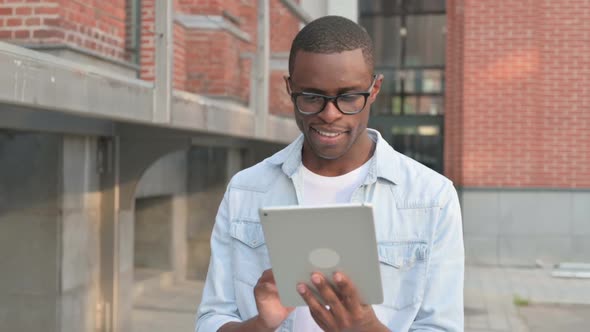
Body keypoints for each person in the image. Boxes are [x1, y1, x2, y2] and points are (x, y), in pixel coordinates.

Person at [196, 15, 464, 332]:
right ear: (290, 88)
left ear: (374, 89)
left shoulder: (431, 197)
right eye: (312, 97)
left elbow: (441, 326)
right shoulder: (245, 190)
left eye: (349, 97)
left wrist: (366, 329)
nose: (330, 114)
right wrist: (261, 324)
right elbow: (212, 320)